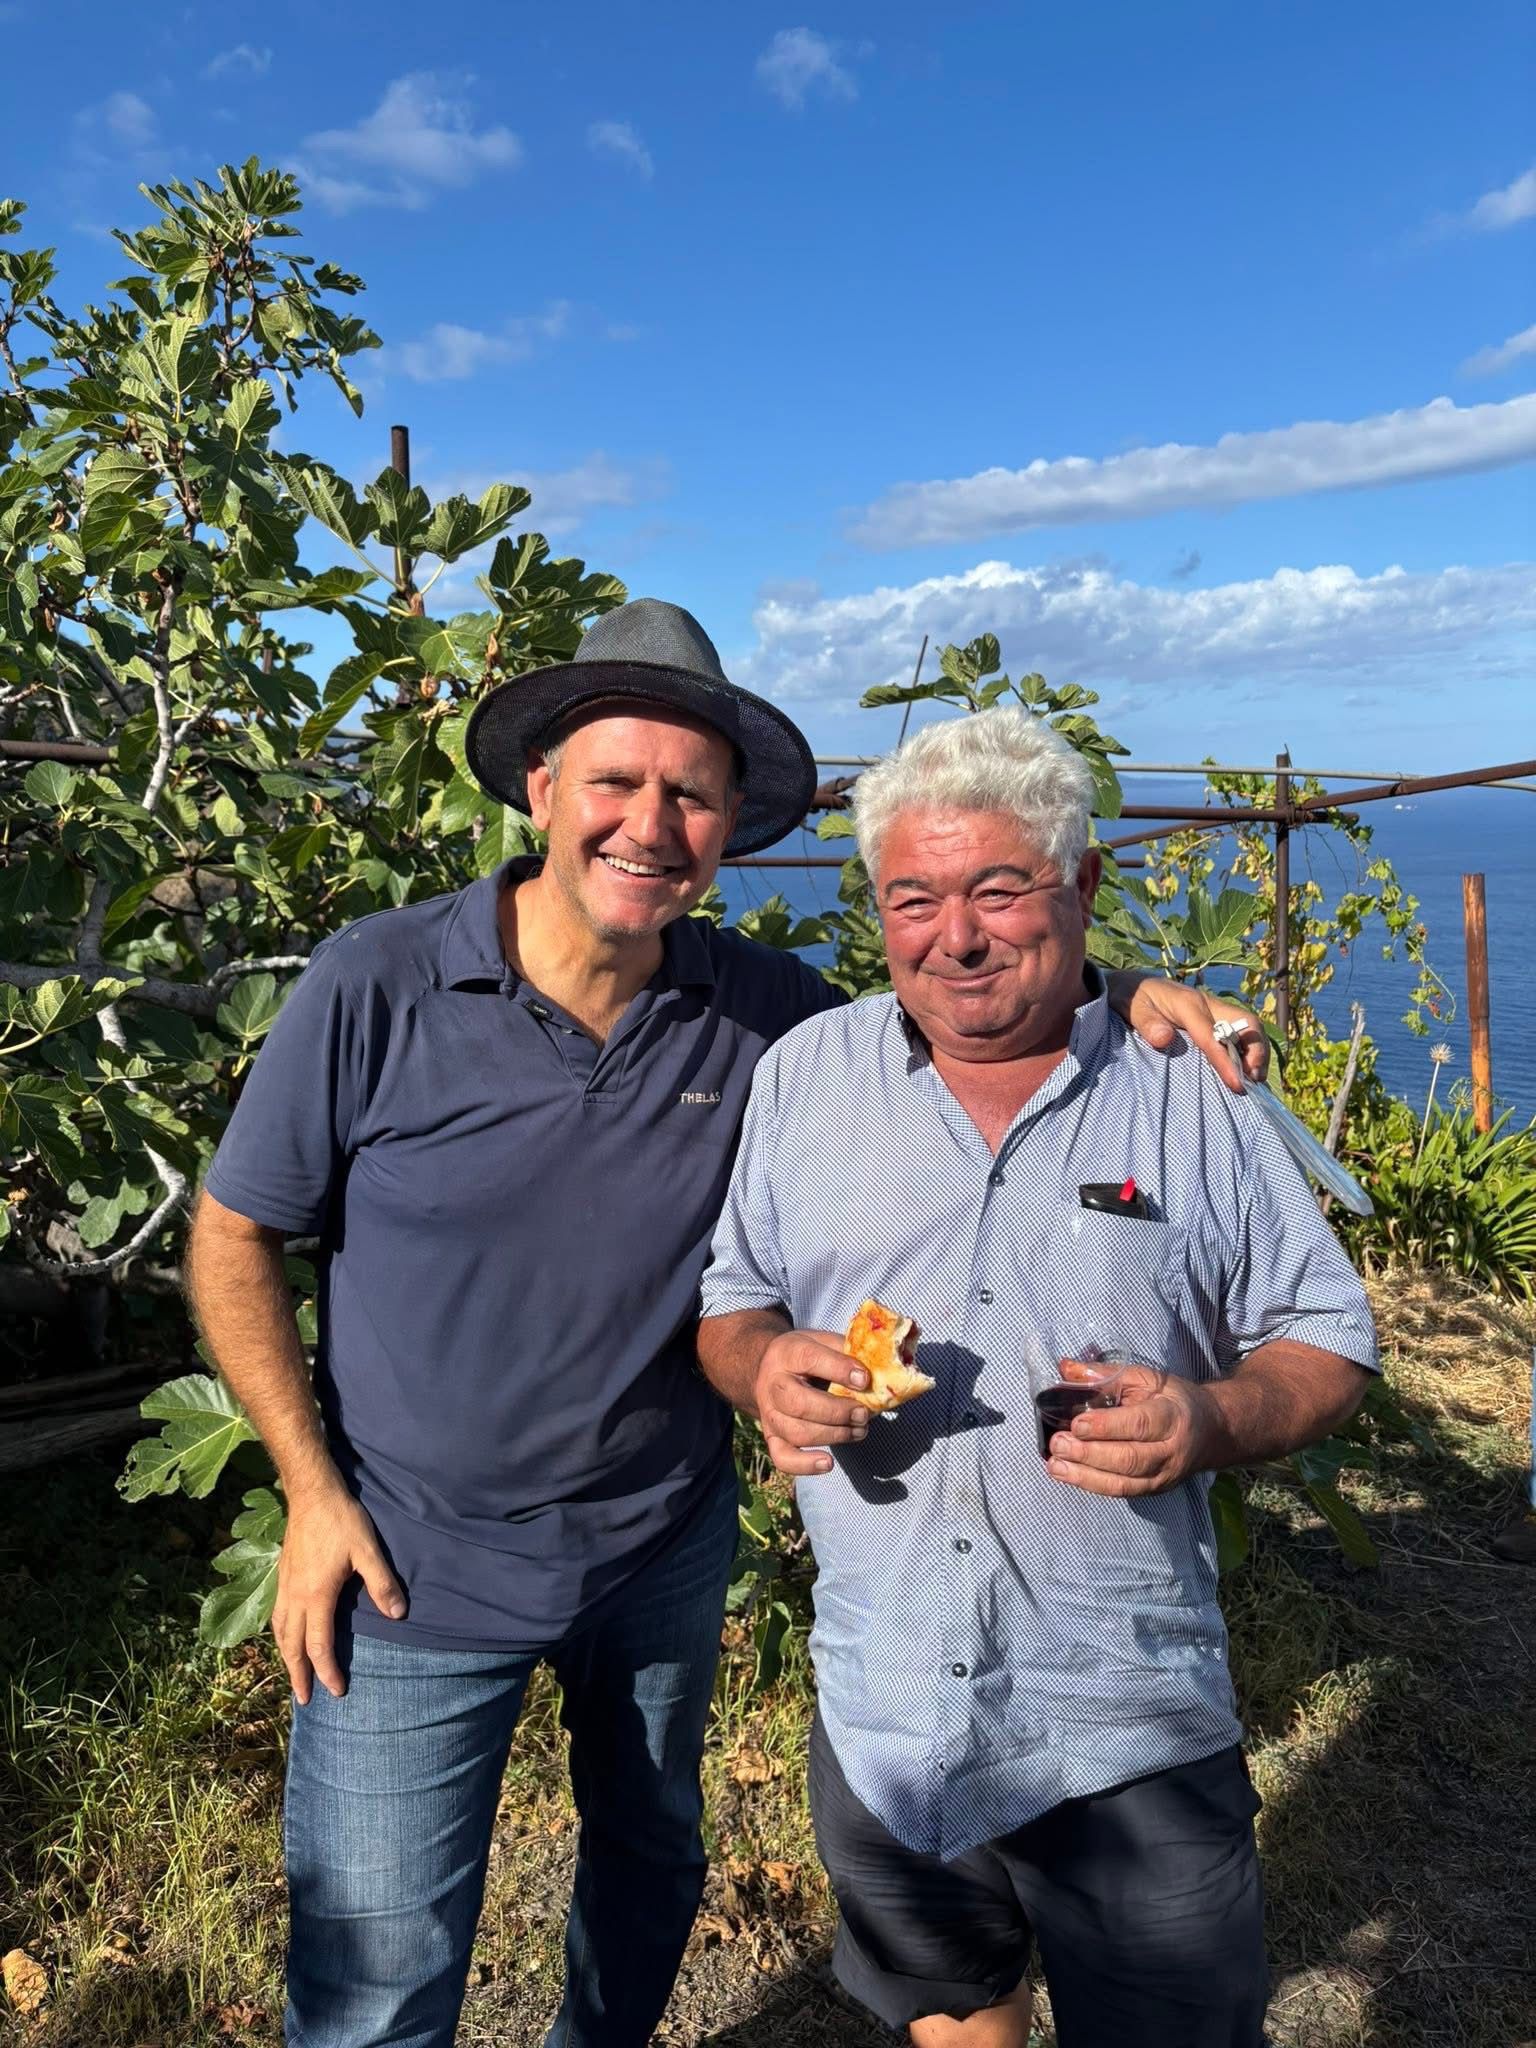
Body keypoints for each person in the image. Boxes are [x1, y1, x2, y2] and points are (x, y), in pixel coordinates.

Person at [185, 601, 1269, 2048]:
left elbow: (967, 986)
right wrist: (309, 1489)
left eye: (690, 796)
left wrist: (1129, 994)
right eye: (616, 783)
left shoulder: (763, 1014)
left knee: (648, 1874)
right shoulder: (378, 980)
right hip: (410, 1562)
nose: (650, 825)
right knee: (379, 1959)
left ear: (725, 828)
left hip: (658, 1545)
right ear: (541, 791)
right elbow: (235, 1233)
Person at [697, 706, 1378, 2048]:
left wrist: (1209, 1418)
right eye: (915, 899)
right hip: (888, 1704)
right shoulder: (806, 1079)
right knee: (953, 2009)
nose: (955, 937)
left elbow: (1328, 1338)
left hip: (1121, 1714)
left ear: (1083, 884)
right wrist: (765, 1365)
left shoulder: (1190, 1092)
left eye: (1000, 890)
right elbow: (735, 1297)